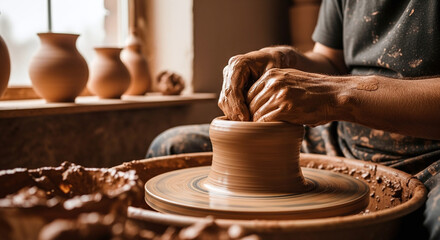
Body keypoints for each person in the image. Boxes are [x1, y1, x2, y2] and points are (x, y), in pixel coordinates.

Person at [147, 1, 440, 238]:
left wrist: (337, 95)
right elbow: (330, 60)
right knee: (171, 146)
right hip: (340, 136)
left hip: (431, 156)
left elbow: (335, 86)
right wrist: (281, 58)